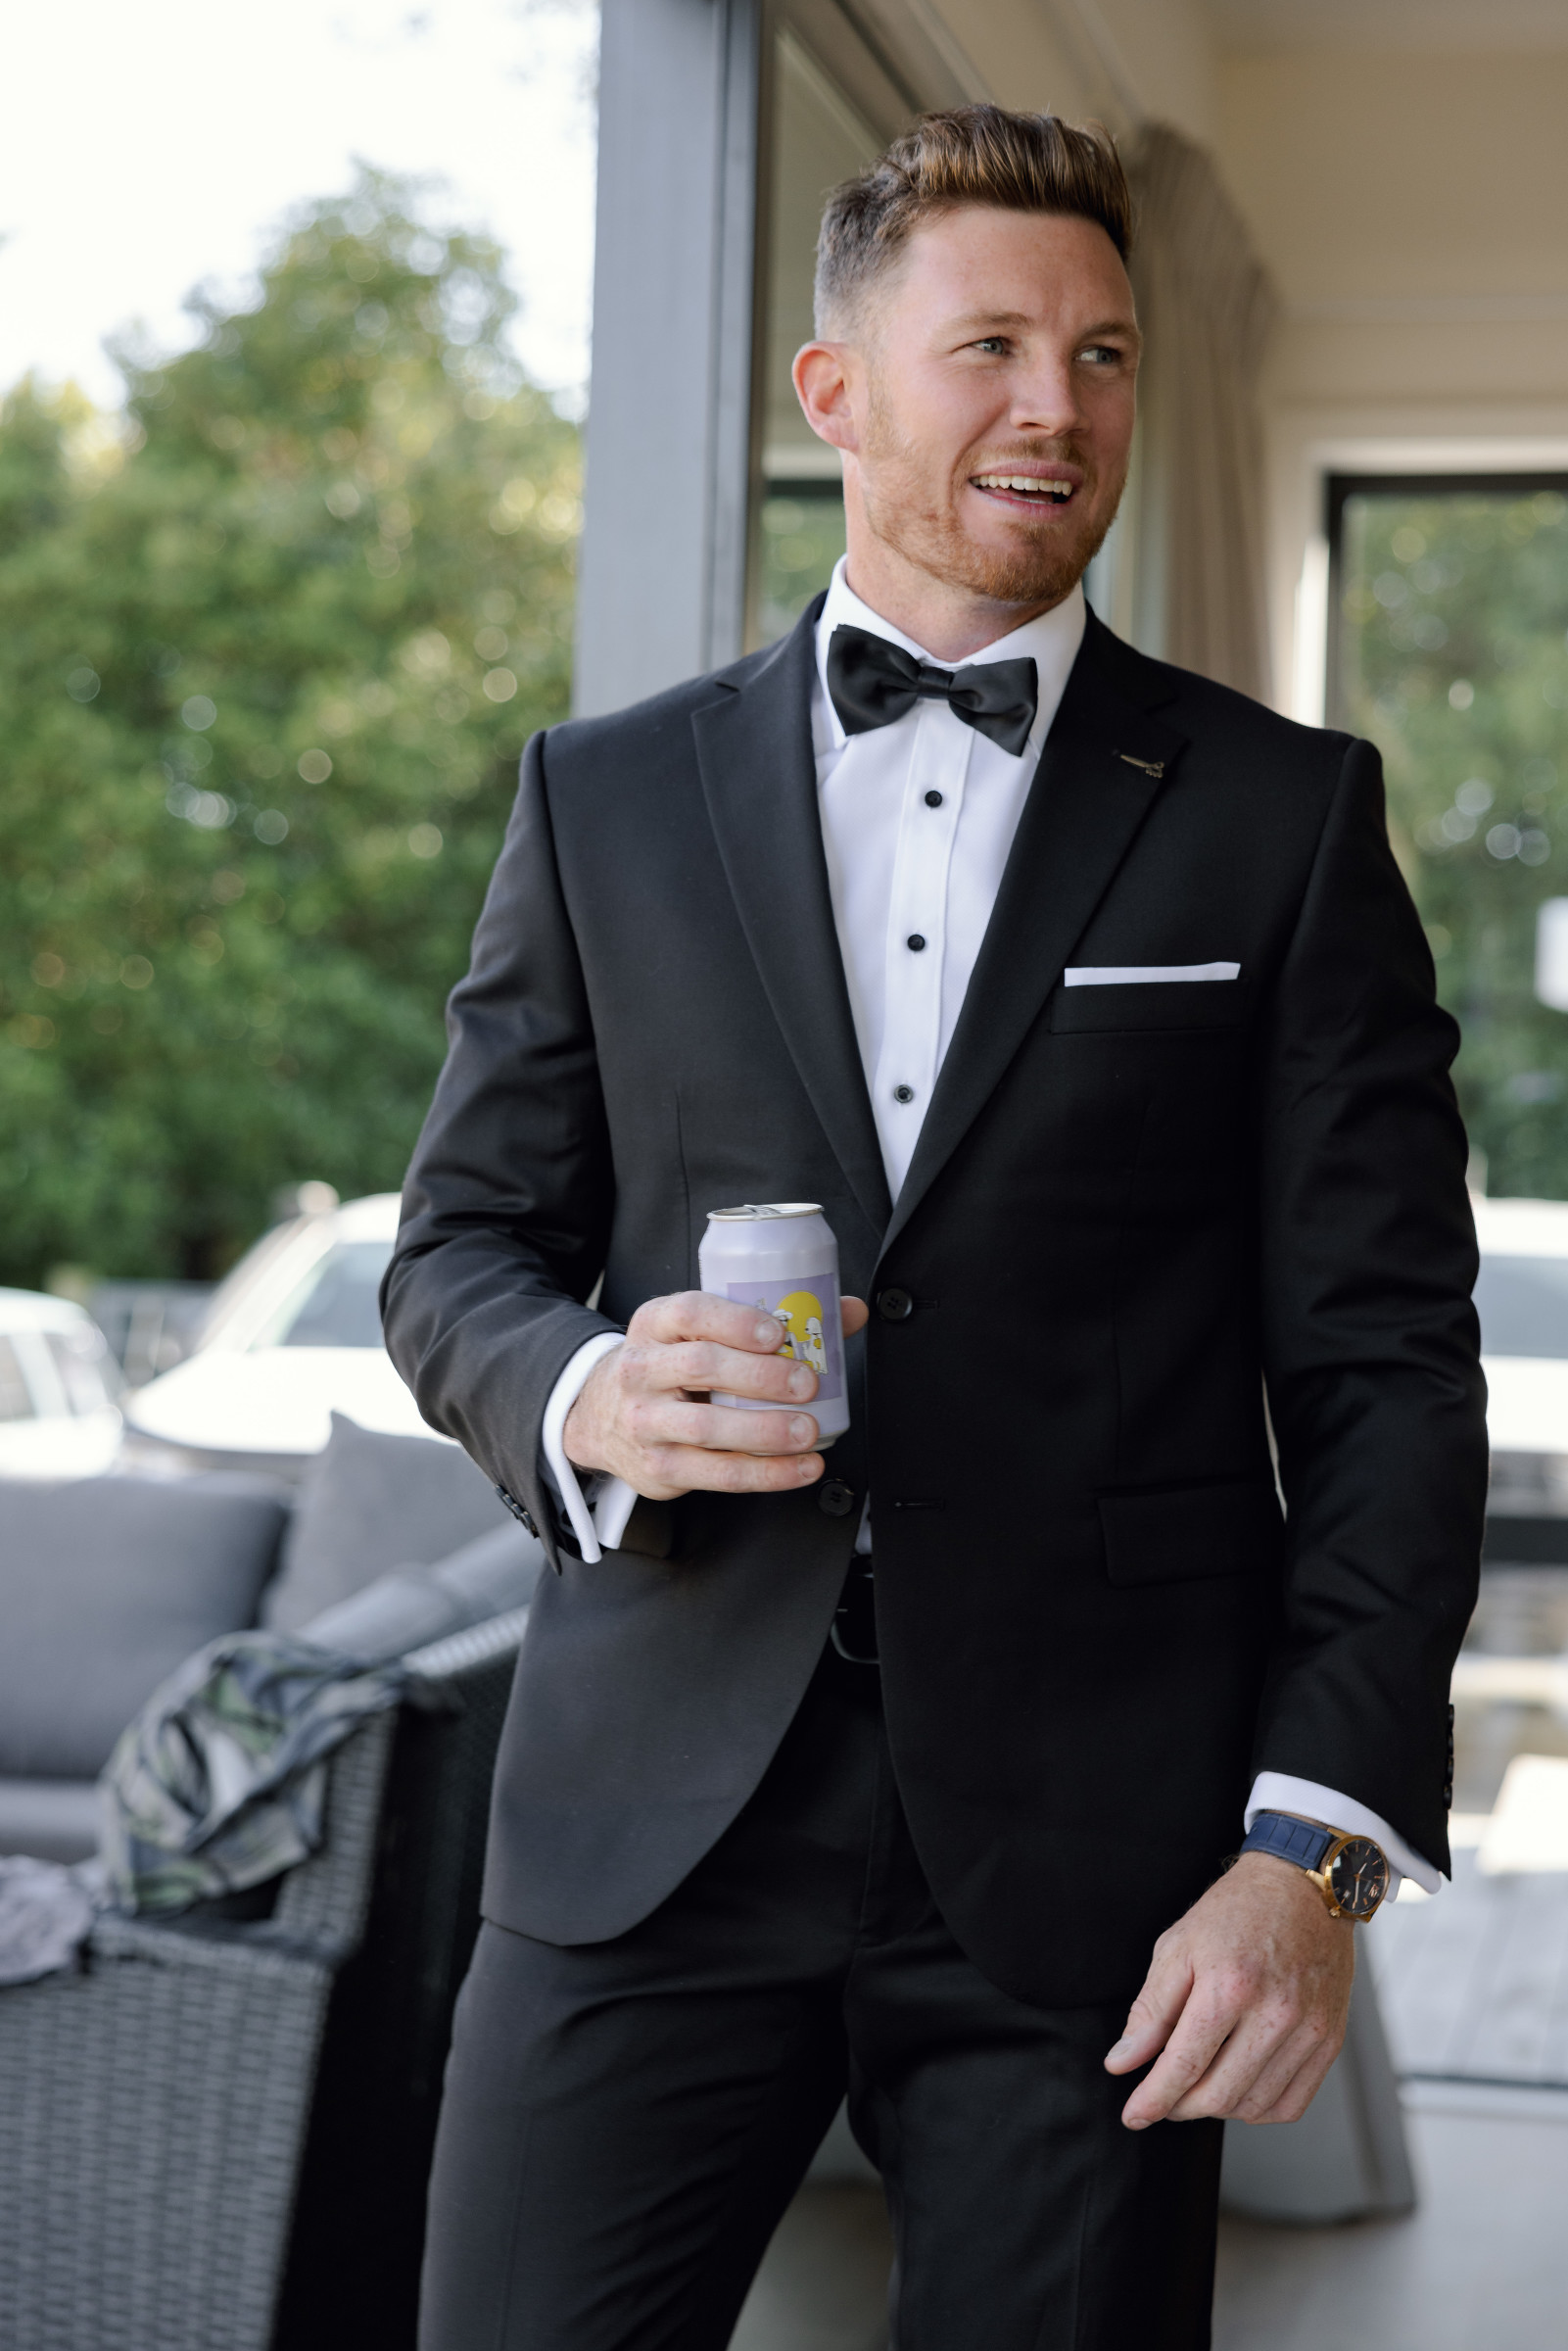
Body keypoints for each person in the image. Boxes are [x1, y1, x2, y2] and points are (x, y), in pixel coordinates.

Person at [382, 105, 1485, 2350]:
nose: (1055, 406)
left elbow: (1387, 1371)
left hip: (1108, 1864)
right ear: (836, 390)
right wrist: (587, 1390)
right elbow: (459, 1249)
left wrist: (1317, 1852)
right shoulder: (603, 797)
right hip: (646, 1823)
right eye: (988, 345)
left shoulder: (1283, 820)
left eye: (1102, 354)